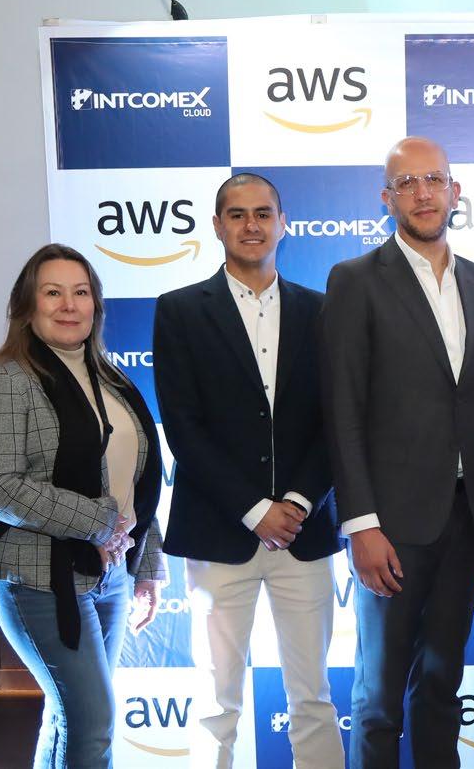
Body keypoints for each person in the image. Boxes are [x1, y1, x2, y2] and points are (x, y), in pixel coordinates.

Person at [321, 136, 474, 768]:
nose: (422, 193)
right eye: (406, 183)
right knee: (380, 697)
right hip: (390, 524)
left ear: (454, 191)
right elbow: (342, 409)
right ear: (387, 198)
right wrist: (360, 524)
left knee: (440, 684)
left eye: (433, 179)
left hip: (467, 516)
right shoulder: (355, 280)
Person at [153, 173, 343, 768]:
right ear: (217, 226)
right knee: (216, 700)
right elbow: (183, 427)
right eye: (237, 215)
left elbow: (336, 422)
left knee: (313, 696)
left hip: (303, 533)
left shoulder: (322, 310)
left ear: (283, 223)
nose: (251, 225)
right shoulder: (179, 311)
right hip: (218, 533)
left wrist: (297, 502)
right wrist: (256, 510)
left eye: (263, 213)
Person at [0, 243, 167, 768]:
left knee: (70, 718)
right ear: (27, 305)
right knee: (92, 724)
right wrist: (99, 523)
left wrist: (145, 567)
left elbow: (135, 482)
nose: (69, 305)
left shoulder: (112, 379)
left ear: (96, 304)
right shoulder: (2, 376)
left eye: (81, 293)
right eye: (53, 292)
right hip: (37, 576)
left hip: (111, 576)